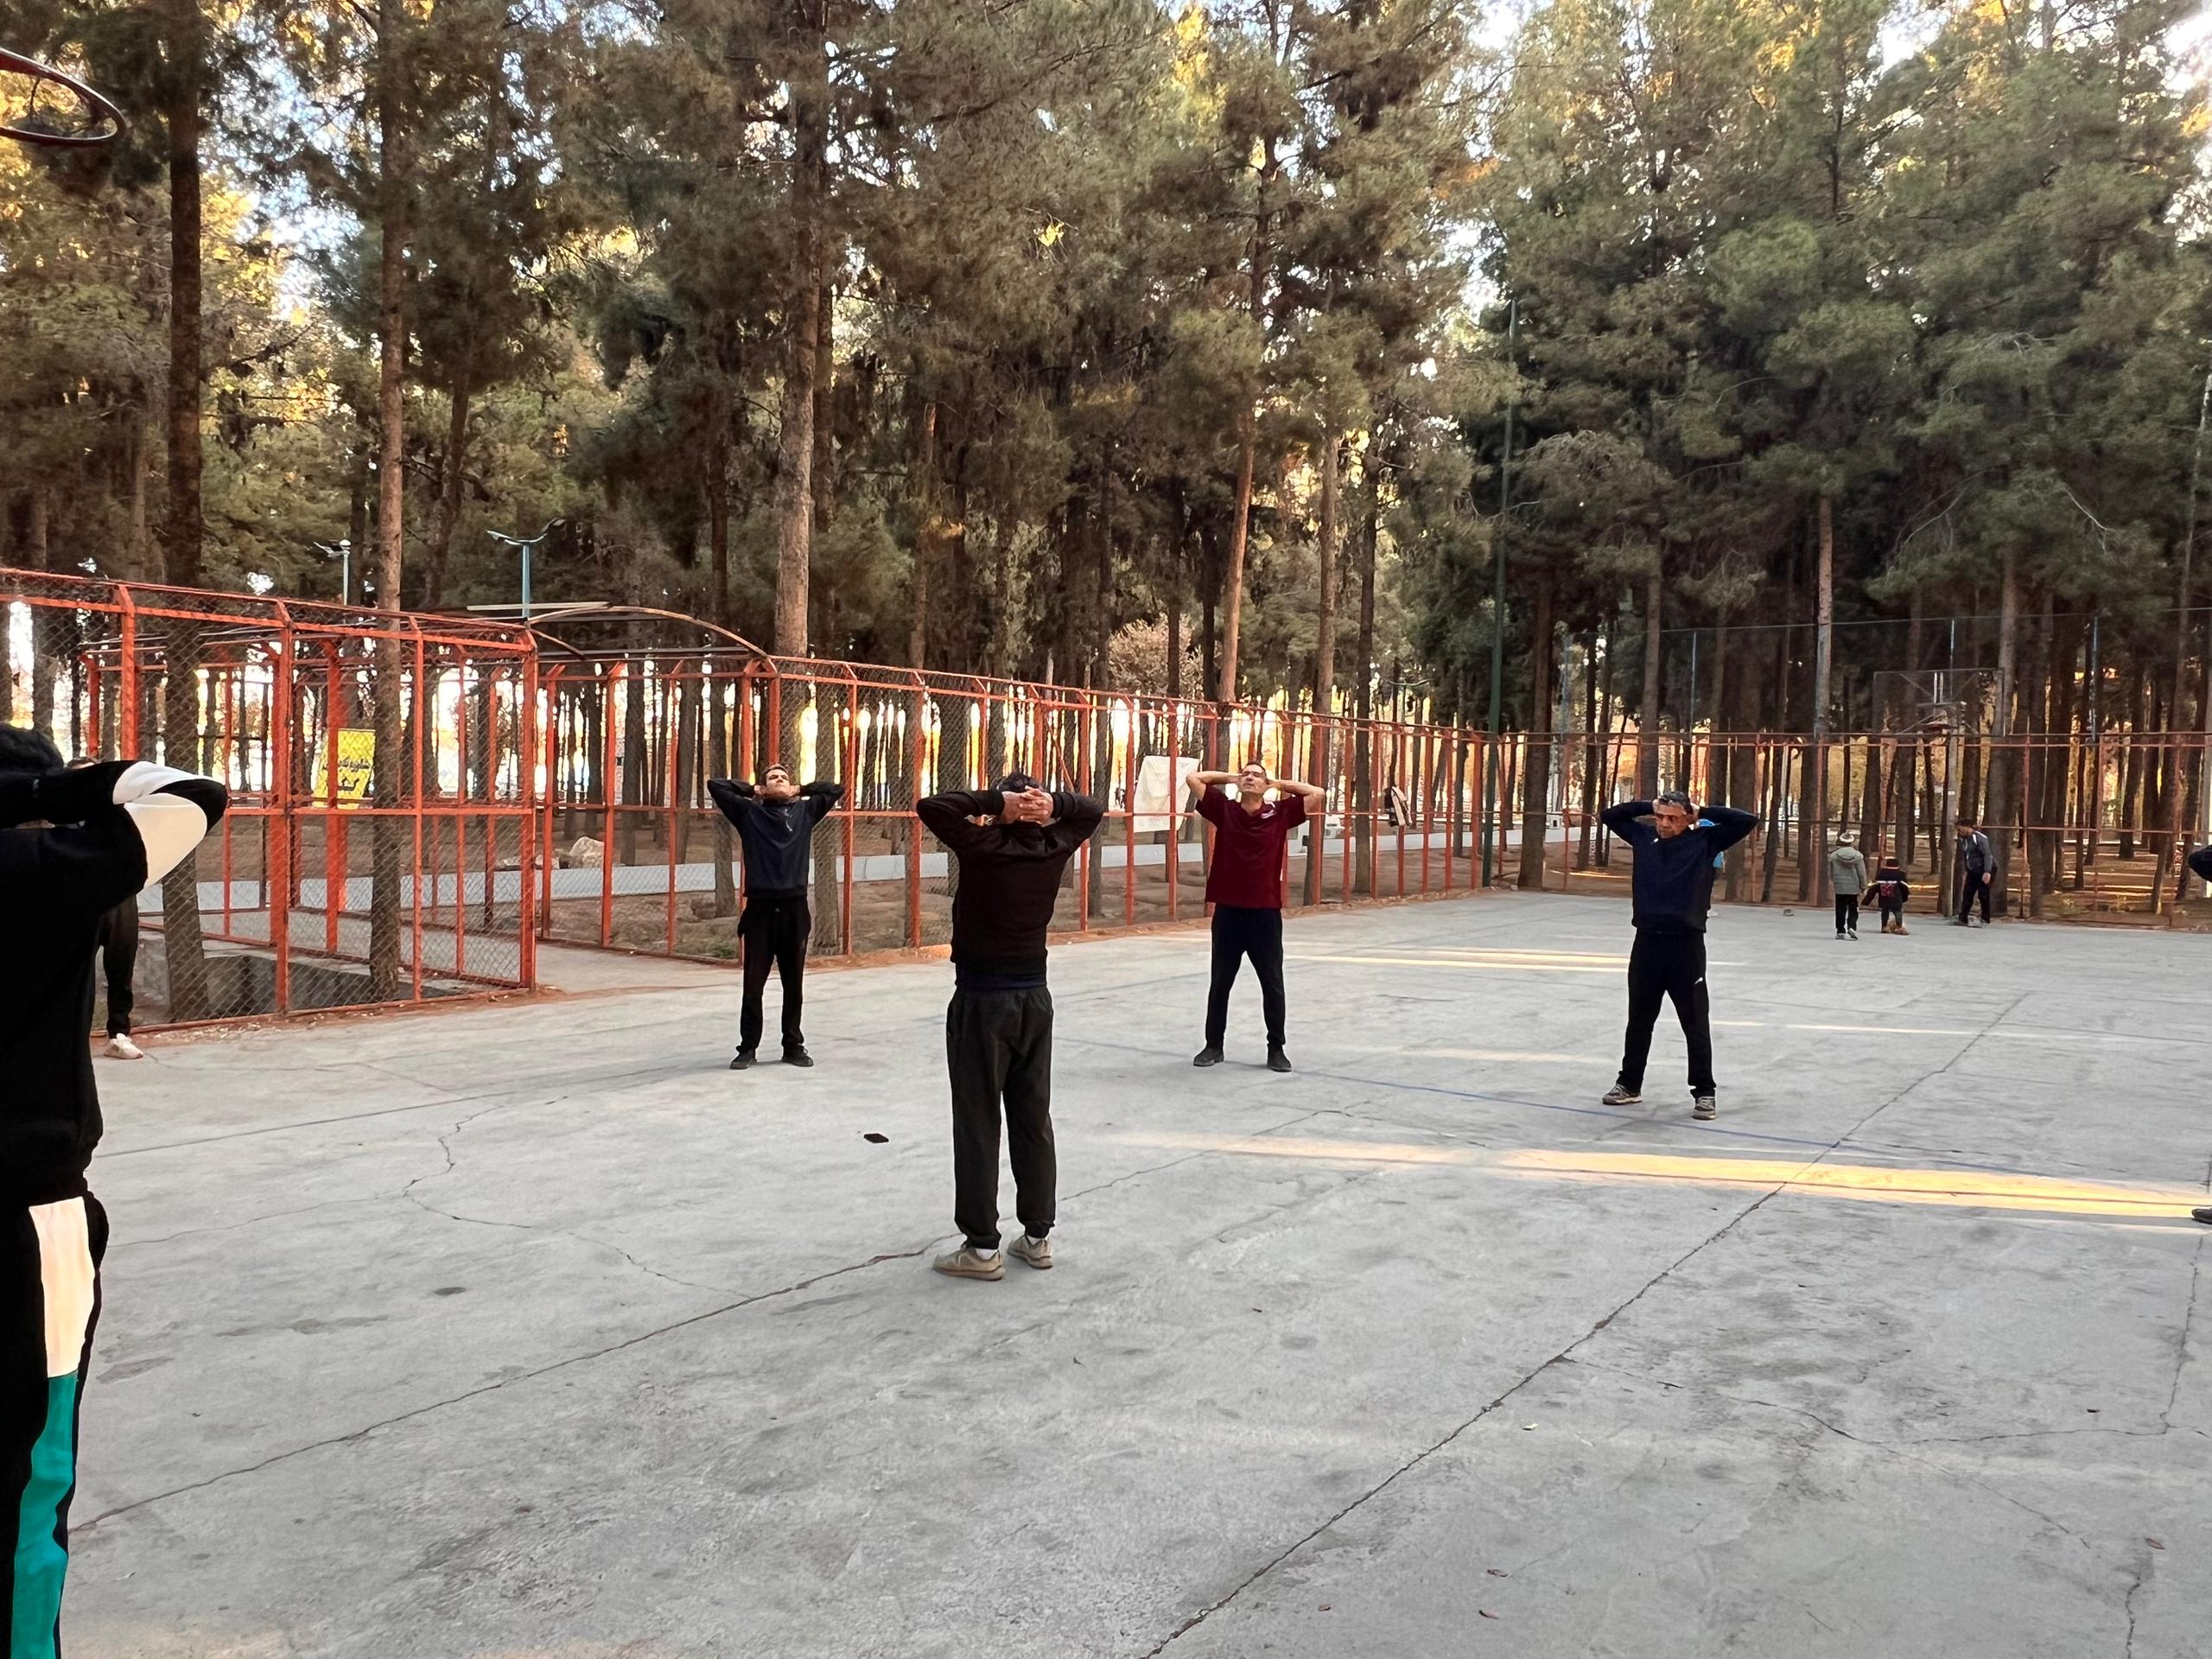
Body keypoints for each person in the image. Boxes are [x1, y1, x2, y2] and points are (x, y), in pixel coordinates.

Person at [0, 726, 227, 1652]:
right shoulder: (42, 872)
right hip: (25, 1220)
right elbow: (193, 795)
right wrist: (46, 794)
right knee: (28, 1487)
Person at [915, 772, 1104, 1281]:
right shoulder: (1053, 846)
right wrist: (1054, 805)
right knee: (1032, 1116)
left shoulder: (984, 845)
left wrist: (1000, 802)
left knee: (978, 1121)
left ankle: (982, 1248)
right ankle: (1037, 1237)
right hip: (1034, 999)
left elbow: (933, 806)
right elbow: (1091, 809)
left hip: (982, 999)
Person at [1598, 789, 1759, 1121]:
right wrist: (1649, 805)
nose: (1664, 823)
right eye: (1660, 817)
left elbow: (1747, 820)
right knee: (1639, 1020)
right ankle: (1629, 1084)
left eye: (1672, 818)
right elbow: (1609, 816)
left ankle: (1704, 1092)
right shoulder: (1643, 838)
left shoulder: (1705, 842)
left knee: (1695, 1022)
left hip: (1686, 947)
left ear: (1687, 818)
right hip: (1647, 944)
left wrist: (1702, 811)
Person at [1185, 761, 1327, 1072]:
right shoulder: (1225, 810)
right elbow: (1193, 778)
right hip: (1228, 913)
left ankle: (1276, 1048)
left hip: (1265, 914)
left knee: (1272, 983)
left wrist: (1276, 783)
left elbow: (1317, 793)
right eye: (1245, 774)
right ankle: (1213, 1046)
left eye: (1256, 775)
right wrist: (1232, 777)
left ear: (1265, 784)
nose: (1249, 778)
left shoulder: (1280, 813)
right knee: (1220, 982)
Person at [706, 765, 844, 1069]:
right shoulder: (749, 814)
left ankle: (793, 1046)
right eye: (772, 778)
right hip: (760, 909)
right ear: (763, 787)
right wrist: (753, 791)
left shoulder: (804, 813)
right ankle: (748, 1048)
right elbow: (716, 785)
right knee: (753, 985)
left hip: (794, 909)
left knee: (793, 984)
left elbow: (835, 790)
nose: (779, 780)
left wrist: (801, 790)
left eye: (784, 777)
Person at [68, 760, 143, 1059]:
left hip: (120, 901)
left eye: (93, 774)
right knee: (76, 975)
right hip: (80, 904)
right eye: (81, 776)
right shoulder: (60, 818)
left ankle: (119, 1035)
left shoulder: (120, 814)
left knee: (121, 970)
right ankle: (72, 1040)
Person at [1828, 831, 1868, 940]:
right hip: (1854, 886)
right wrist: (1863, 886)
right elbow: (1861, 873)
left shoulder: (1834, 856)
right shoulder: (1858, 856)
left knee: (1840, 908)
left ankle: (1840, 931)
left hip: (1840, 886)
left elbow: (1831, 871)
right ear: (1852, 842)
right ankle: (1852, 927)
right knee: (1853, 908)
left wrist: (1834, 880)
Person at [1955, 819, 1993, 925]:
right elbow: (1967, 856)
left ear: (1968, 828)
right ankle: (1963, 918)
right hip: (1972, 870)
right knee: (1968, 893)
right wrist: (1967, 870)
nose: (1959, 832)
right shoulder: (1964, 840)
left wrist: (1987, 871)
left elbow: (1987, 855)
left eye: (1960, 829)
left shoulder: (1980, 838)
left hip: (1983, 869)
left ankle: (1985, 918)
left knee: (1983, 894)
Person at [1872, 854, 1913, 935]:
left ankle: (1884, 927)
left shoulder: (1881, 874)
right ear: (1898, 866)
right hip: (1896, 897)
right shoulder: (1900, 874)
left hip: (1884, 897)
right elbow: (1904, 887)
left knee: (1885, 911)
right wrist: (1905, 897)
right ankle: (1899, 926)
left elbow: (1876, 885)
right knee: (1898, 911)